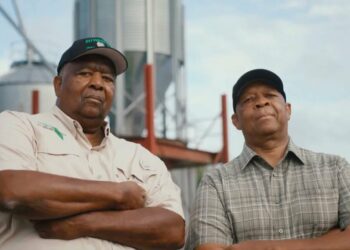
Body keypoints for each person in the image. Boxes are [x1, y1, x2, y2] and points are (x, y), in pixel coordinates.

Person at [0, 37, 185, 250]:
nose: (97, 83)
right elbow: (12, 190)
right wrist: (119, 195)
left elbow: (173, 230)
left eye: (107, 78)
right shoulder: (19, 126)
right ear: (58, 85)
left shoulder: (140, 157)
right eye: (84, 73)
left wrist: (83, 224)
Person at [186, 69, 350, 250]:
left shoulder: (335, 169)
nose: (261, 102)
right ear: (236, 121)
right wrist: (329, 241)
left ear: (288, 110)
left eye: (270, 95)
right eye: (248, 99)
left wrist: (268, 247)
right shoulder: (216, 183)